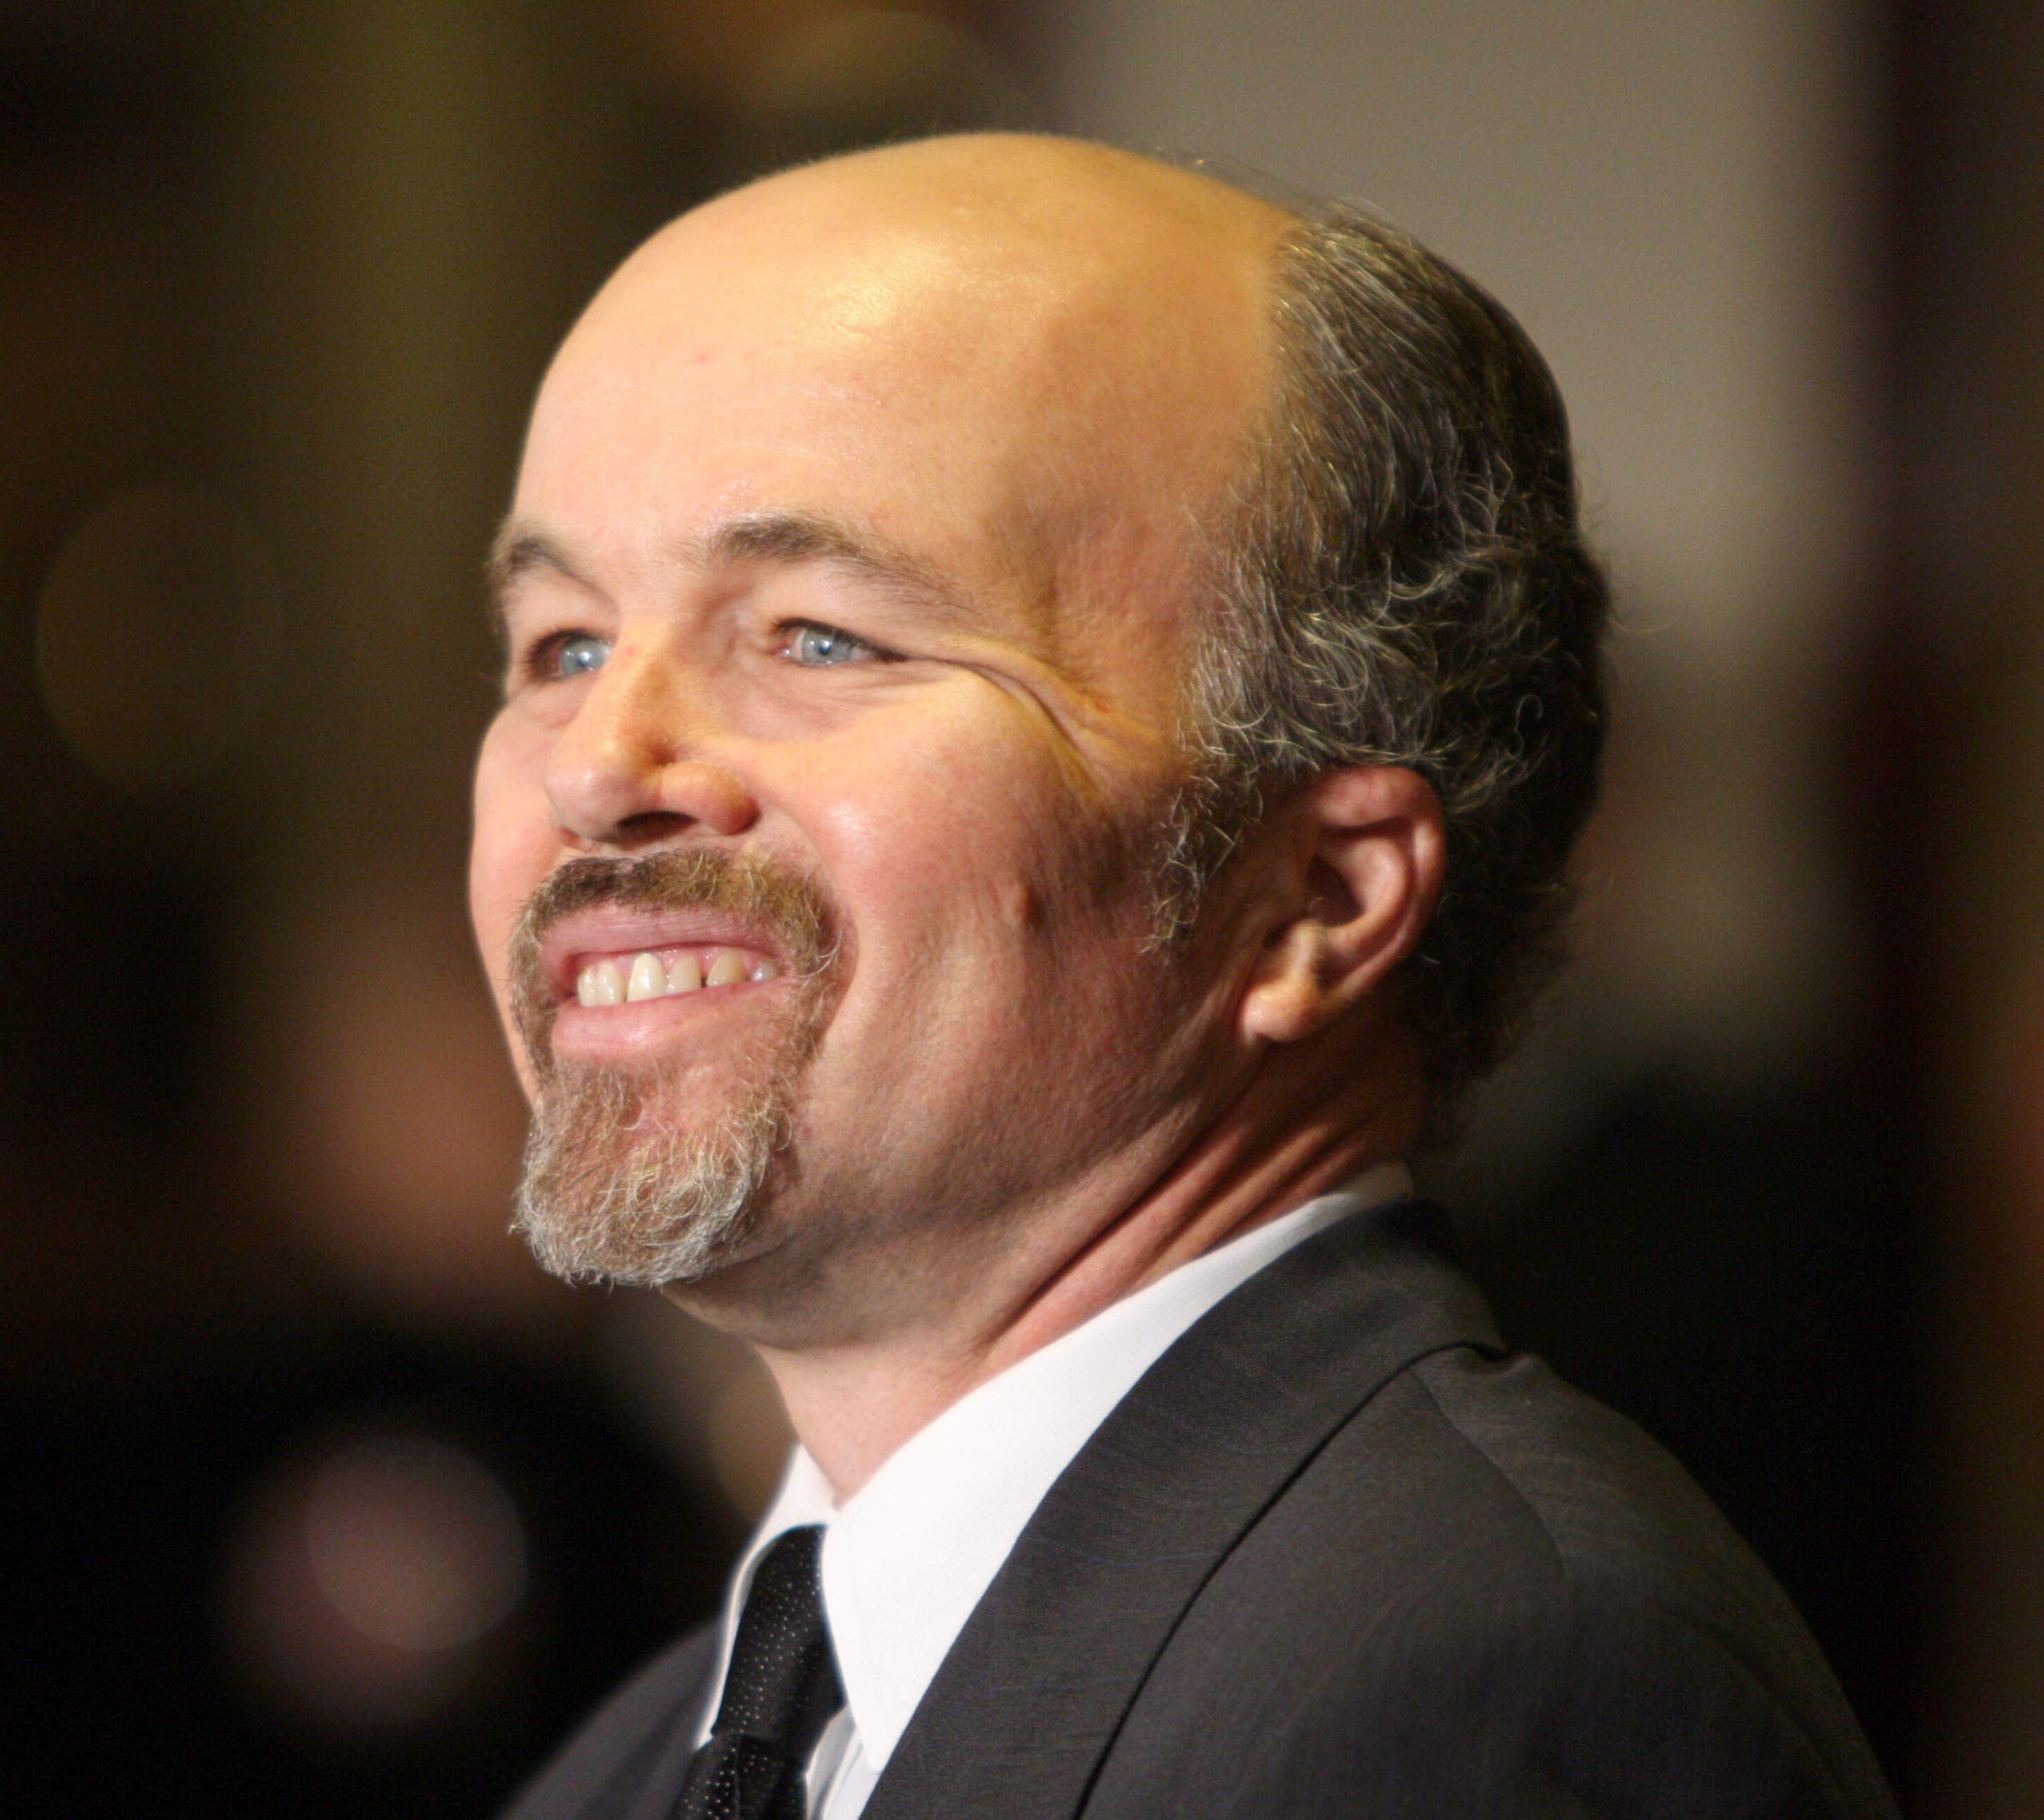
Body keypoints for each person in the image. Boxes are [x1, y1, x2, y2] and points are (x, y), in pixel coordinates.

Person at [467, 134, 1894, 1820]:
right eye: (562, 642)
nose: (595, 764)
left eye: (820, 636)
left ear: (1316, 900)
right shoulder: (642, 1766)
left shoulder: (1479, 1690)